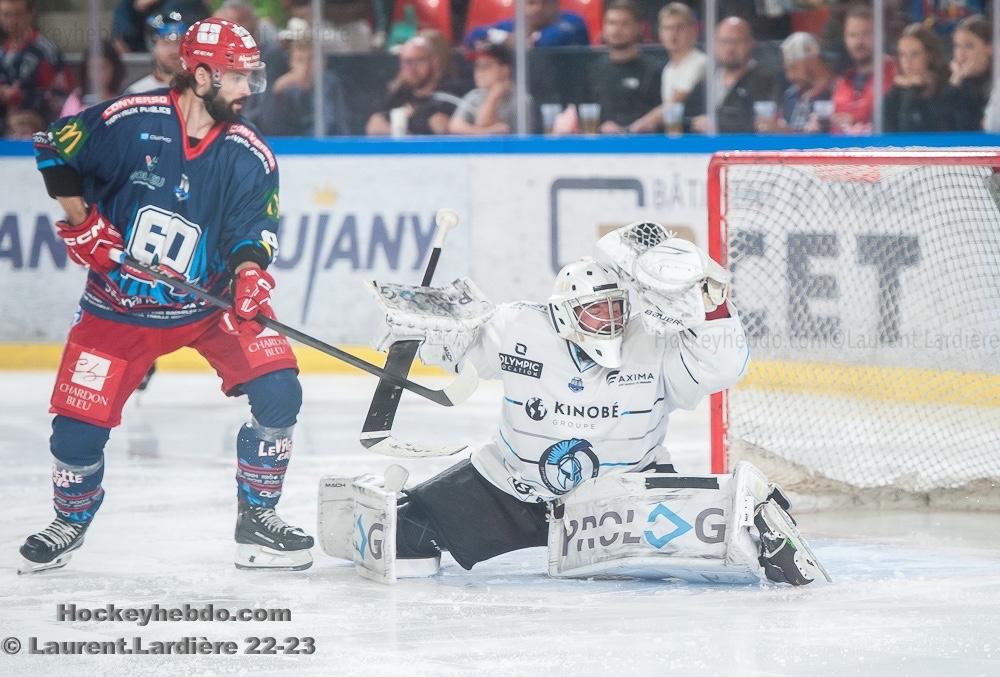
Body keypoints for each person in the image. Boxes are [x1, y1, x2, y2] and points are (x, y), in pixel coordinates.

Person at [323, 223, 828, 587]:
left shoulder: (652, 340)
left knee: (725, 535)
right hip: (509, 489)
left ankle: (764, 529)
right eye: (595, 310)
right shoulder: (521, 326)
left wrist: (705, 298)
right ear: (565, 312)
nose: (609, 320)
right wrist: (417, 329)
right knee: (404, 534)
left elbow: (723, 366)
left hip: (622, 498)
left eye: (617, 308)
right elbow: (457, 346)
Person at [20, 18, 312, 574]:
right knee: (75, 431)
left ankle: (257, 519)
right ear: (200, 75)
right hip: (119, 307)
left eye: (253, 76)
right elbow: (53, 147)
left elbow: (255, 228)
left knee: (280, 390)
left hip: (209, 305)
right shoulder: (130, 121)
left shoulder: (250, 152)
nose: (249, 89)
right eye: (236, 77)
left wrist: (251, 273)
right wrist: (81, 222)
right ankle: (70, 519)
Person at [684, 17, 780, 134]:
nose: (730, 48)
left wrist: (719, 125)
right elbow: (687, 117)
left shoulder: (765, 80)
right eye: (724, 41)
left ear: (750, 43)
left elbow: (762, 123)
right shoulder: (706, 83)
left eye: (737, 41)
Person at [586, 0, 661, 134]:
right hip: (601, 146)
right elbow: (585, 111)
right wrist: (601, 126)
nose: (617, 29)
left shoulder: (654, 70)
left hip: (644, 145)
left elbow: (664, 112)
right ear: (603, 26)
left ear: (638, 28)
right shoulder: (593, 70)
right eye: (612, 23)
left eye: (624, 24)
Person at [630, 2, 706, 134]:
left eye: (679, 28)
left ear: (694, 30)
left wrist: (636, 126)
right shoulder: (668, 69)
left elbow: (674, 103)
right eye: (667, 28)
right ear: (660, 33)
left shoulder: (700, 62)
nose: (673, 34)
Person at [366, 35, 464, 136]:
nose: (411, 69)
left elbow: (442, 124)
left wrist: (410, 119)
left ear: (434, 61)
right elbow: (375, 124)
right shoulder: (401, 93)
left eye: (418, 61)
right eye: (406, 62)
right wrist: (408, 137)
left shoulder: (449, 90)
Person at [0, 0, 75, 130]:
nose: (12, 20)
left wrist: (23, 97)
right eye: (6, 15)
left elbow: (65, 96)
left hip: (39, 129)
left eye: (18, 14)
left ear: (30, 14)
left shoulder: (46, 51)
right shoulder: (2, 53)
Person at [256, 37, 352, 135]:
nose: (306, 66)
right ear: (291, 63)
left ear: (323, 62)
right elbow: (269, 128)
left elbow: (339, 124)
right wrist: (277, 92)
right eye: (300, 60)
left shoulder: (330, 84)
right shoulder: (284, 88)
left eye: (311, 60)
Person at [830, 5, 896, 135]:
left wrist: (857, 122)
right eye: (852, 35)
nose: (859, 42)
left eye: (866, 34)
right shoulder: (843, 82)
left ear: (880, 35)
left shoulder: (895, 73)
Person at [448, 42, 527, 135]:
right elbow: (455, 126)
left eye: (486, 66)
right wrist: (489, 131)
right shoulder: (475, 95)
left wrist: (492, 98)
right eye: (477, 66)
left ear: (505, 69)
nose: (479, 72)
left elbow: (483, 123)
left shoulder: (521, 101)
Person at [883, 24, 950, 132]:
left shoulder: (946, 86)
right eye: (902, 55)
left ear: (930, 55)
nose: (907, 62)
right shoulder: (896, 91)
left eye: (914, 54)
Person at [464, 0, 589, 49]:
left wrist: (513, 40)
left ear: (556, 4)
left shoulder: (573, 22)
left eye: (545, 3)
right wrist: (501, 37)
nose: (538, 9)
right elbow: (473, 36)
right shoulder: (513, 26)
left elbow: (544, 42)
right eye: (531, 3)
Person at [943, 14, 992, 132]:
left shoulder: (995, 83)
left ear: (989, 48)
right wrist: (955, 82)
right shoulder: (950, 80)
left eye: (969, 46)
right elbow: (942, 127)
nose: (961, 54)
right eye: (957, 46)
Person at [778, 32, 835, 133]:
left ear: (812, 60)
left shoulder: (837, 92)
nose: (789, 76)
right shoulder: (790, 96)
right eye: (786, 70)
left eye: (793, 67)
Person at [124, 12, 189, 94]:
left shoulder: (200, 90)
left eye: (180, 43)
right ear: (152, 47)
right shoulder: (137, 93)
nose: (175, 51)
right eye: (166, 43)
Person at [59, 40, 126, 117]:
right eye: (92, 68)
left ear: (114, 68)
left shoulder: (125, 98)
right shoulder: (77, 98)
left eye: (102, 67)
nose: (97, 74)